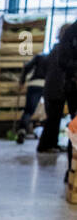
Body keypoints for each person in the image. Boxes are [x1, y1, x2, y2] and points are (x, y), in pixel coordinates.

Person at [37, 22, 77, 154]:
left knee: (54, 119)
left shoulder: (56, 50)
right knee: (52, 120)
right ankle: (46, 145)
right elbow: (59, 73)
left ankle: (51, 144)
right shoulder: (63, 51)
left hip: (54, 90)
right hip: (56, 91)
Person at [18, 49, 49, 137]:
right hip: (47, 85)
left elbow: (27, 67)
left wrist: (22, 81)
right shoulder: (53, 58)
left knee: (28, 110)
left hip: (34, 84)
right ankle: (46, 136)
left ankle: (22, 129)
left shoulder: (39, 57)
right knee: (50, 111)